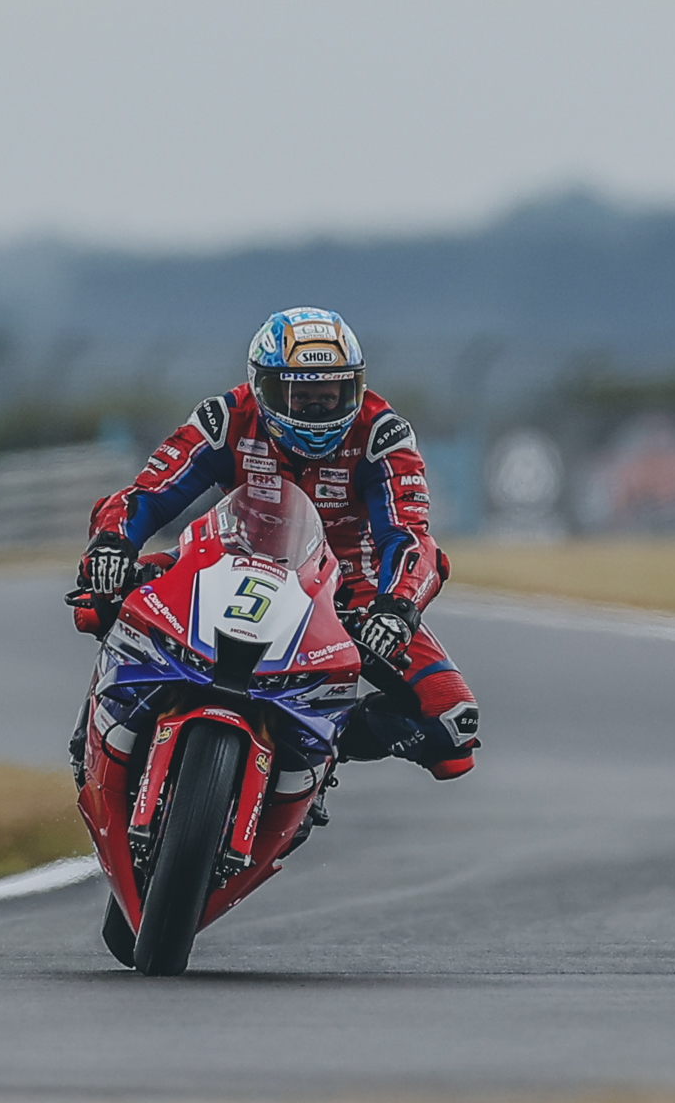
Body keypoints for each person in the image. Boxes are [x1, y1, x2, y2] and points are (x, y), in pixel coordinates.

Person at [78, 307, 480, 779]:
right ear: (262, 387)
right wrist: (112, 544)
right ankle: (104, 735)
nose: (315, 411)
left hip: (345, 587)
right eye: (300, 395)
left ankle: (314, 744)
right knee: (96, 600)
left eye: (329, 395)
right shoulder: (224, 417)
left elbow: (410, 536)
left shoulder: (381, 434)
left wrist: (397, 610)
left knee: (451, 725)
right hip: (226, 558)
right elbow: (147, 494)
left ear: (355, 387)